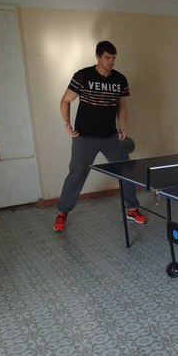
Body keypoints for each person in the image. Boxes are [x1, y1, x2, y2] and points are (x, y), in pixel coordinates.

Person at [53, 40, 146, 232]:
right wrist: (66, 123)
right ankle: (62, 212)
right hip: (84, 137)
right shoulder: (83, 76)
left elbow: (122, 104)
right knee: (76, 174)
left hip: (110, 137)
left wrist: (123, 126)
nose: (111, 61)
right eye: (107, 57)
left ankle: (131, 209)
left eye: (114, 58)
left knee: (126, 170)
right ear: (98, 56)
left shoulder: (120, 79)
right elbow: (65, 100)